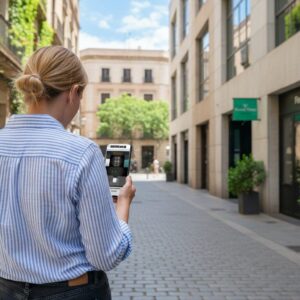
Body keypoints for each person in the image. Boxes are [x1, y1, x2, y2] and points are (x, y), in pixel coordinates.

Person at [0, 46, 136, 300]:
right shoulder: (81, 152)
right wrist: (123, 205)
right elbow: (105, 255)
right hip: (72, 291)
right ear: (74, 92)